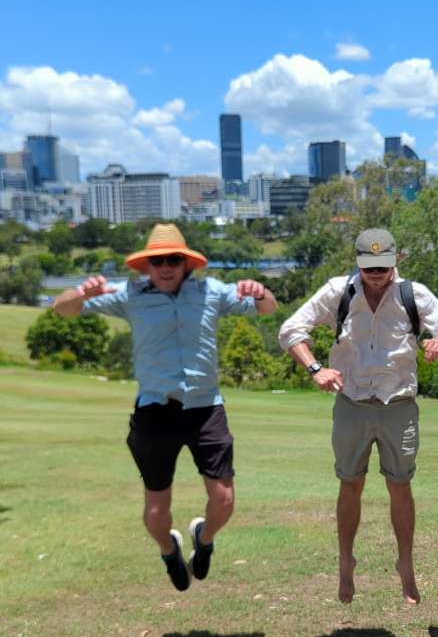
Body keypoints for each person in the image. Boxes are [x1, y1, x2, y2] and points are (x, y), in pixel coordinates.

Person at [53, 223, 277, 591]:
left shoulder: (212, 292)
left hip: (205, 408)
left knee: (223, 499)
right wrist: (80, 292)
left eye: (174, 259)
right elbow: (62, 310)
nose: (166, 266)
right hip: (155, 412)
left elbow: (267, 309)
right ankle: (168, 548)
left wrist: (261, 290)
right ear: (147, 266)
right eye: (158, 260)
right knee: (157, 510)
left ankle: (203, 540)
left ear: (187, 263)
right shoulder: (129, 294)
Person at [279, 227, 438, 605]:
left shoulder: (414, 295)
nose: (376, 274)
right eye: (369, 267)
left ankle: (405, 564)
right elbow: (290, 330)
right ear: (358, 263)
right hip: (352, 404)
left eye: (383, 266)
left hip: (399, 406)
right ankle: (346, 561)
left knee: (400, 486)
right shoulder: (339, 291)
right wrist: (316, 369)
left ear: (397, 260)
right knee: (351, 484)